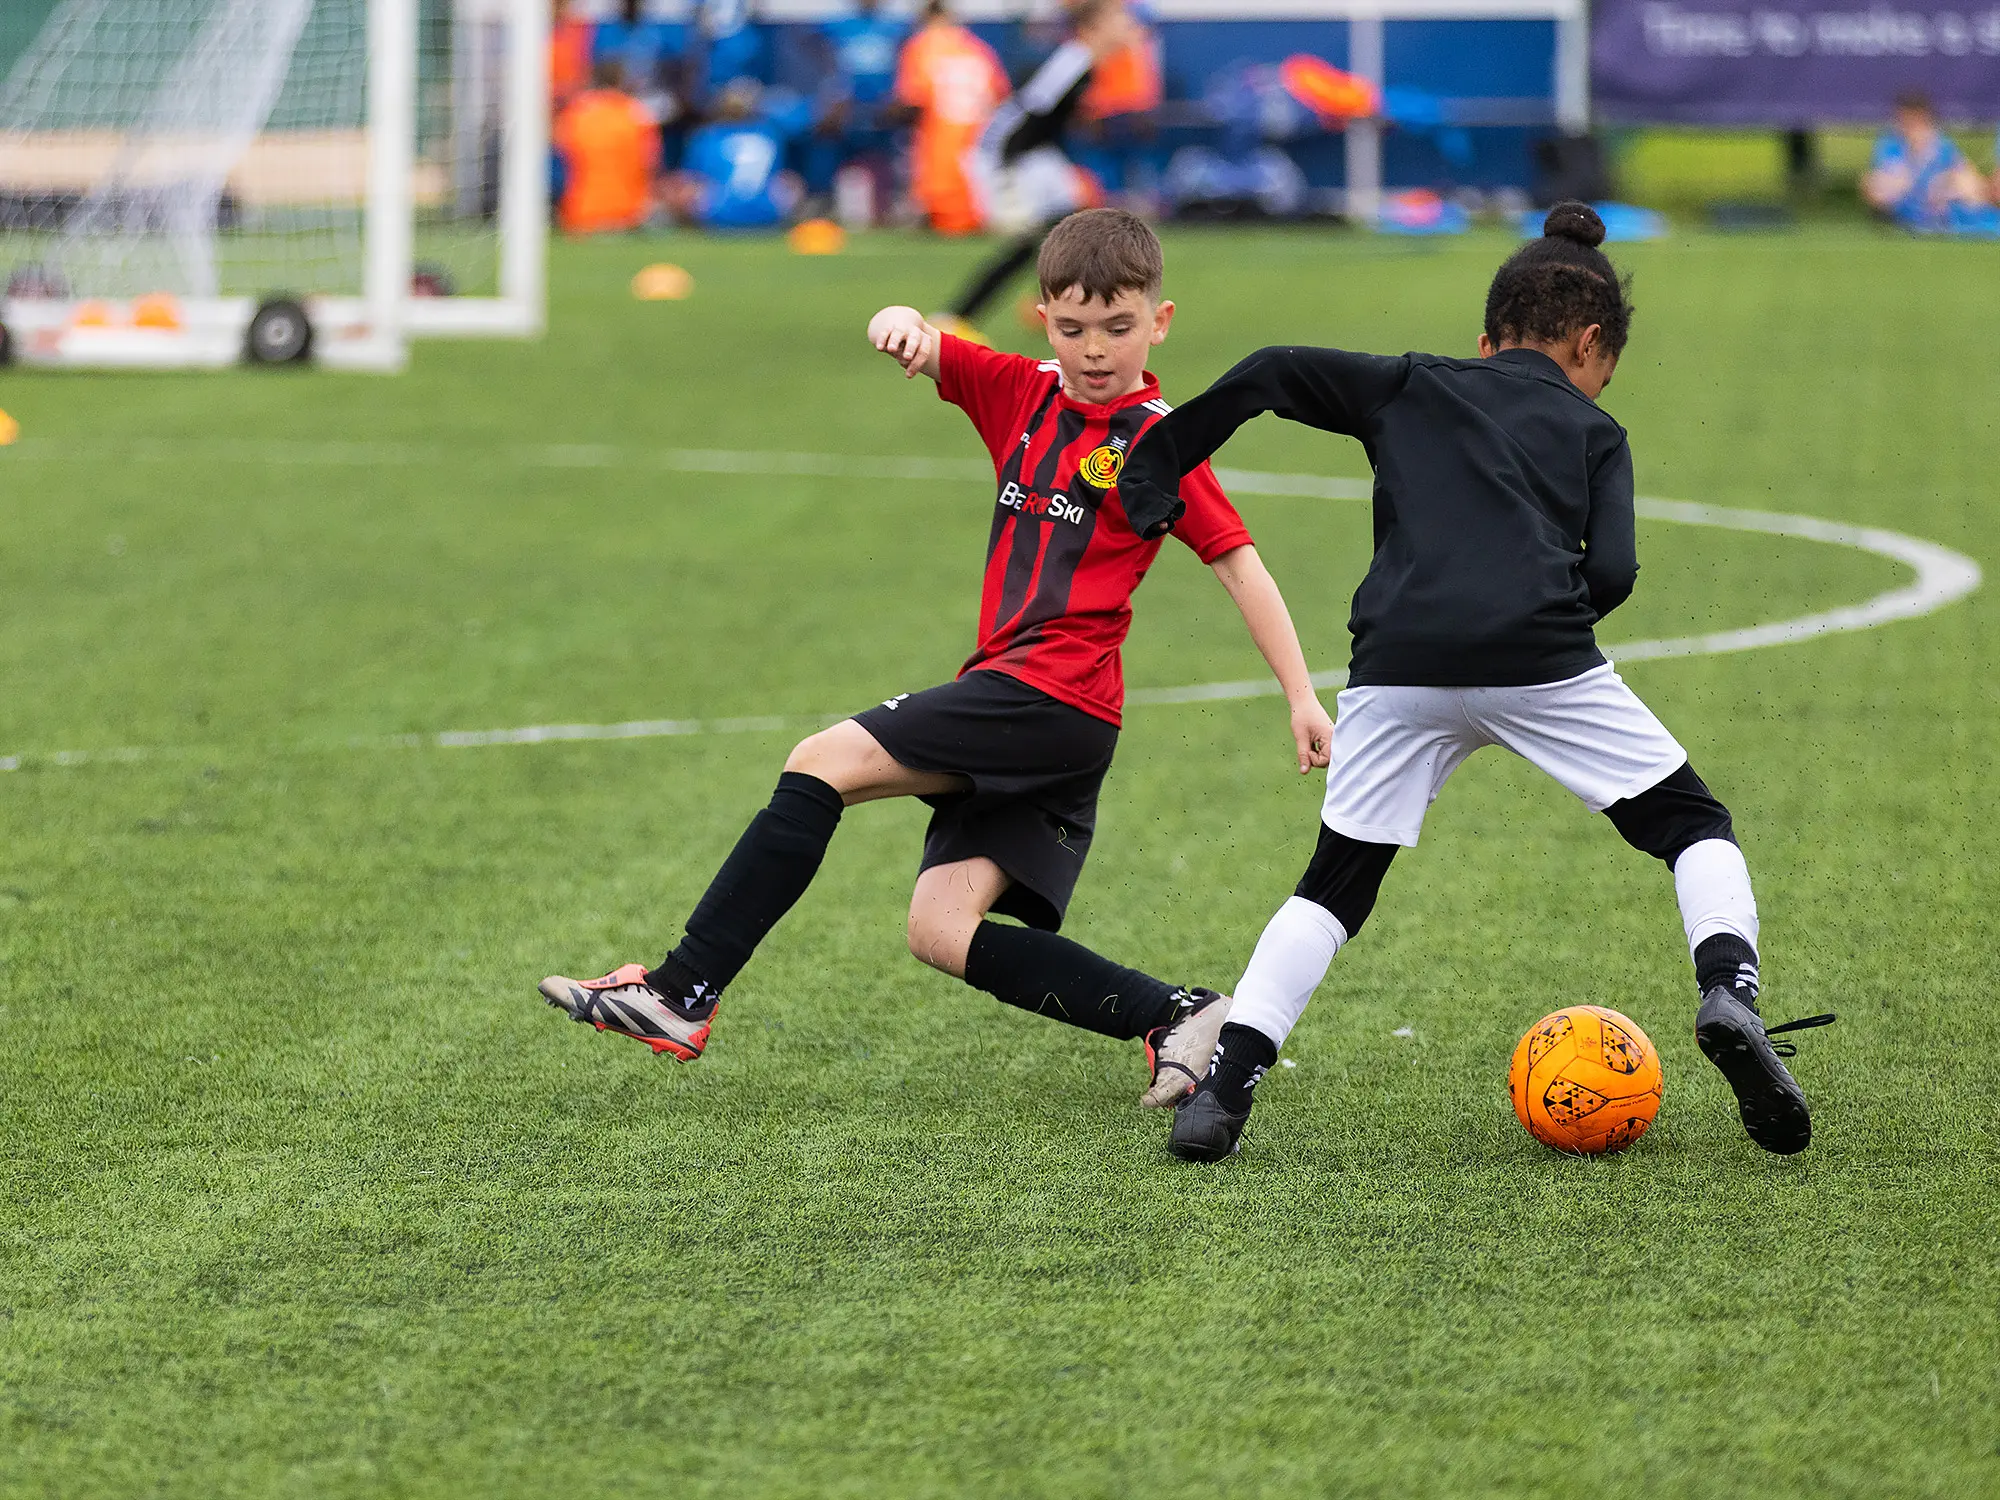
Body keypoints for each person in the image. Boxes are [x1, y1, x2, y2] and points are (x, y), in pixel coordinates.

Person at [539, 208, 1335, 1114]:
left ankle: (681, 992)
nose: (1096, 349)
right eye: (1073, 329)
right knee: (941, 928)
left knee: (819, 762)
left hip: (1052, 697)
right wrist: (902, 322)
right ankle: (1179, 1016)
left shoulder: (1161, 443)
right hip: (1036, 705)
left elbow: (1239, 563)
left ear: (1160, 322)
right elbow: (928, 342)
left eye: (1119, 328)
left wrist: (1302, 696)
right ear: (1043, 322)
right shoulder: (1020, 391)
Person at [1117, 202, 1836, 1163]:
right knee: (1691, 825)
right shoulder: (1596, 429)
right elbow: (1614, 573)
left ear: (1487, 337)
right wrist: (1538, 624)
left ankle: (1226, 1094)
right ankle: (1729, 993)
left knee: (1334, 885)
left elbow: (1272, 369)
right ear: (1591, 344)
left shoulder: (1410, 383)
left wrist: (1161, 460)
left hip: (1398, 662)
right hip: (1540, 655)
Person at [936, 0, 1133, 341]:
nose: (1128, 27)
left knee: (1067, 230)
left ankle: (1052, 307)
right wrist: (1007, 168)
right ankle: (954, 319)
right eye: (1119, 19)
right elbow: (1028, 113)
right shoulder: (1073, 63)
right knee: (1030, 243)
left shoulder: (1083, 64)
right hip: (1011, 156)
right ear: (1093, 29)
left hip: (1034, 155)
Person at [892, 0, 1010, 236]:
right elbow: (1001, 95)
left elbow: (913, 99)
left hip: (943, 138)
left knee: (948, 214)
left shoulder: (922, 47)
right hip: (981, 138)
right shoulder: (977, 48)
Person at [669, 78, 809, 229]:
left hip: (715, 213)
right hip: (768, 212)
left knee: (681, 184)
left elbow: (692, 178)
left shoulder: (708, 136)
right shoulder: (770, 134)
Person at [551, 61, 662, 235]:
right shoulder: (636, 113)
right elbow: (650, 162)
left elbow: (560, 157)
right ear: (621, 80)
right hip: (628, 214)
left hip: (581, 214)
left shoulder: (576, 113)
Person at [1862, 91, 1989, 231]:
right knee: (1874, 182)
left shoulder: (1941, 143)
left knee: (1963, 181)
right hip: (1904, 196)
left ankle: (1955, 217)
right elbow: (1886, 175)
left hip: (1939, 198)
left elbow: (1964, 170)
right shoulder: (1890, 143)